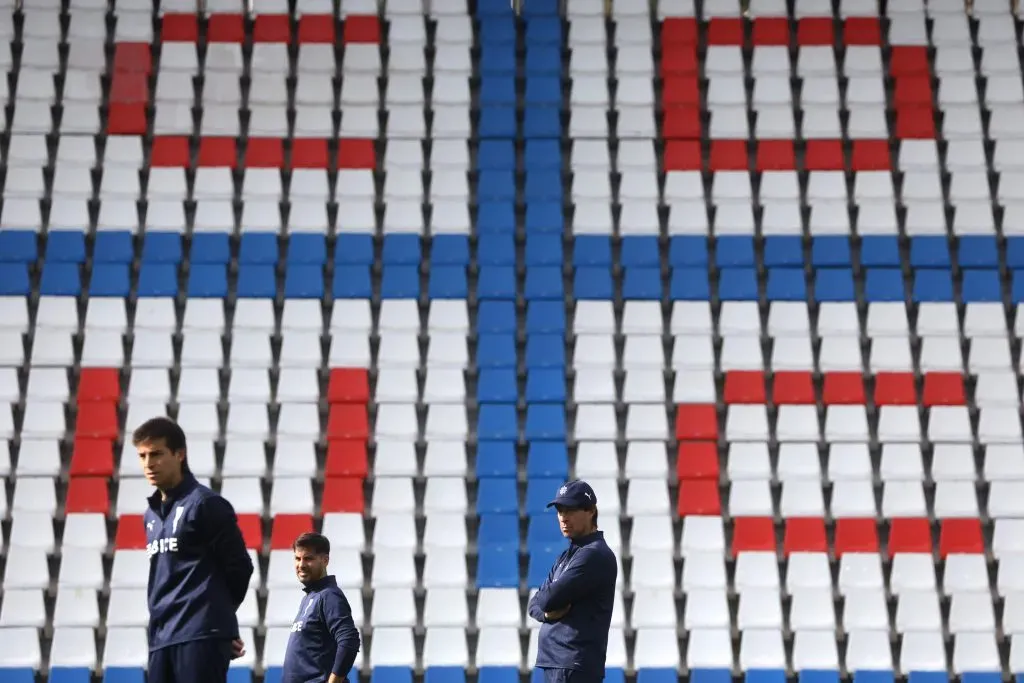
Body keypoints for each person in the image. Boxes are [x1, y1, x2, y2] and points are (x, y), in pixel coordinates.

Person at [138, 417, 254, 683]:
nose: (148, 464)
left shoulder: (206, 504)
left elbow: (240, 567)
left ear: (180, 454)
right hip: (161, 638)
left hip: (200, 635)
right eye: (142, 456)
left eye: (156, 454)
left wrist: (216, 621)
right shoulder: (151, 514)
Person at [528, 480, 618, 683]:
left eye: (570, 510)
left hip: (573, 664)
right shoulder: (567, 555)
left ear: (590, 511)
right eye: (560, 511)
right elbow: (535, 605)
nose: (563, 518)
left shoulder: (594, 555)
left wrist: (545, 605)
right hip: (560, 663)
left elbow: (548, 598)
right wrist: (546, 613)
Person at [281, 532, 362, 683]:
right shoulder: (310, 597)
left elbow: (349, 640)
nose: (301, 565)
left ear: (325, 560)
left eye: (308, 558)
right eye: (297, 558)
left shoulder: (329, 596)